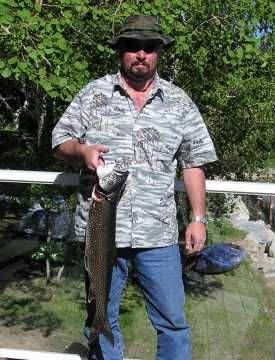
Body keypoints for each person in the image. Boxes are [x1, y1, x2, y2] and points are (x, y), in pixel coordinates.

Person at [52, 15, 217, 360]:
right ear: (120, 52)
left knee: (173, 322)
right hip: (100, 233)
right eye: (132, 46)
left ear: (159, 53)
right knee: (100, 317)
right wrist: (81, 151)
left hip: (157, 236)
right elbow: (59, 140)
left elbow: (193, 163)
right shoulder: (93, 92)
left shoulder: (179, 101)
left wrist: (198, 218)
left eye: (149, 47)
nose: (140, 53)